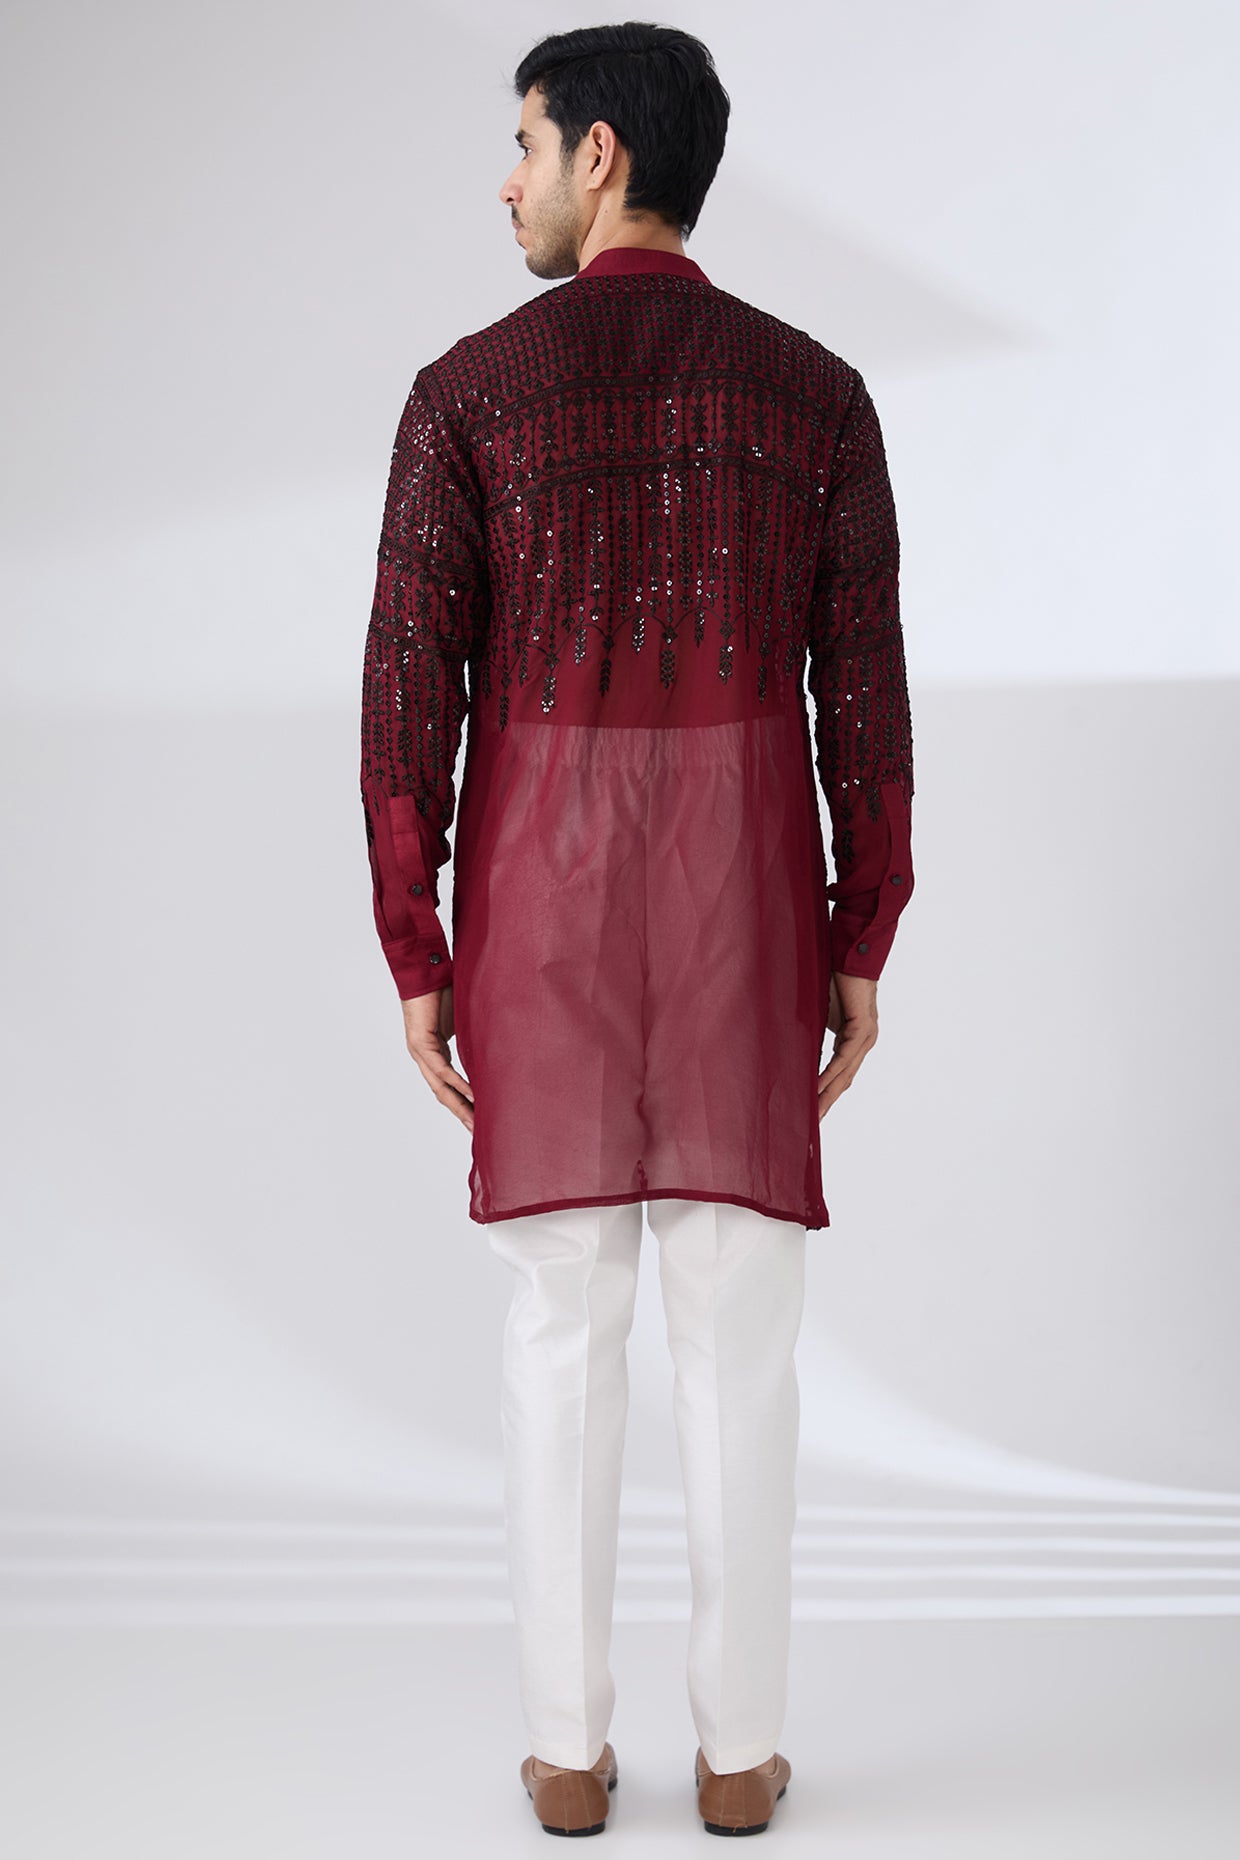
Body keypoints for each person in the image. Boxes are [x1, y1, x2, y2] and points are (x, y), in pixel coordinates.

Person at [359, 21, 915, 1838]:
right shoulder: (816, 395)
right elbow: (865, 698)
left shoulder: (467, 394)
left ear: (600, 154)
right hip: (748, 912)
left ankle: (567, 1751)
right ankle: (741, 1756)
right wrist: (860, 935)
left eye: (523, 145)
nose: (505, 181)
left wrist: (420, 951)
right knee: (742, 1338)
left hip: (541, 918)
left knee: (557, 1335)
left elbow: (407, 696)